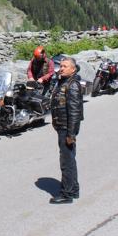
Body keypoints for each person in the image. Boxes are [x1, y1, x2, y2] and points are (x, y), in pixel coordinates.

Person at [49, 57, 83, 204]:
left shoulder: (72, 85)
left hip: (66, 129)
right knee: (70, 159)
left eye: (65, 66)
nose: (61, 68)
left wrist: (71, 134)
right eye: (61, 66)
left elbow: (75, 112)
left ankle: (66, 194)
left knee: (66, 162)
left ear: (73, 69)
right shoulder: (64, 81)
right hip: (62, 126)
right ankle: (74, 189)